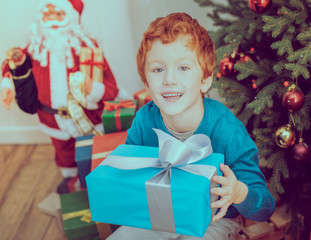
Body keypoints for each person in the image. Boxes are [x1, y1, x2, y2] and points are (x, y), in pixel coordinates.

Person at [108, 12, 274, 240]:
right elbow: (130, 174)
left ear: (205, 79)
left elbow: (265, 206)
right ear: (146, 82)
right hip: (160, 213)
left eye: (183, 68)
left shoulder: (227, 131)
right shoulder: (144, 121)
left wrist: (237, 192)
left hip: (214, 221)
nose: (169, 80)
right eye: (158, 69)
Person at [0, 0, 119, 193]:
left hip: (87, 117)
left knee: (90, 152)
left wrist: (92, 87)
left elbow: (111, 88)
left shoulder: (87, 49)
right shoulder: (36, 47)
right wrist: (8, 84)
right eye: (48, 15)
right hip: (52, 117)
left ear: (71, 17)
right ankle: (71, 180)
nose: (53, 20)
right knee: (63, 151)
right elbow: (11, 61)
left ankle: (96, 184)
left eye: (59, 15)